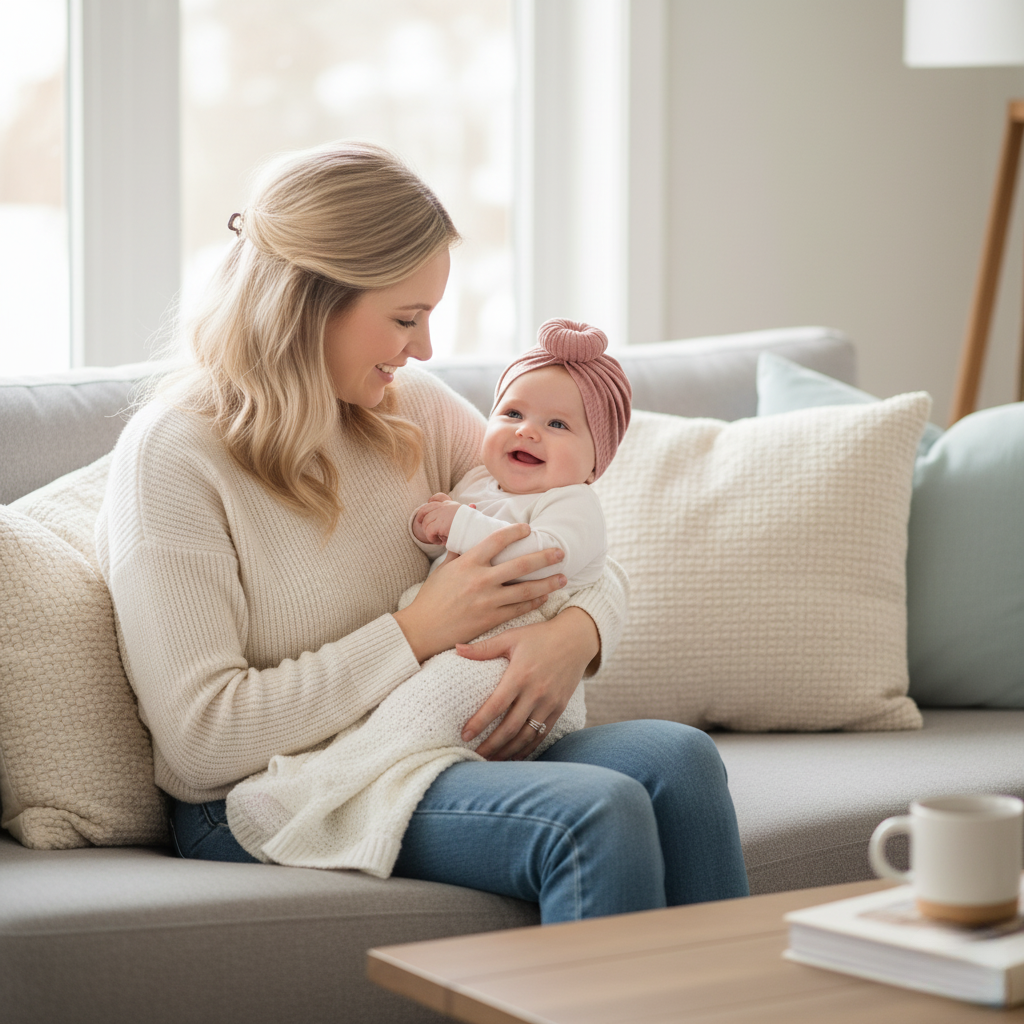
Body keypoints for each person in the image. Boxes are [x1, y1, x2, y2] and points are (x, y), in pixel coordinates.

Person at [96, 140, 749, 923]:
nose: (425, 348)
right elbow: (203, 738)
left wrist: (574, 635)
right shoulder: (174, 457)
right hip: (263, 790)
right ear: (308, 302)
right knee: (592, 813)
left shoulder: (410, 407)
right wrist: (417, 629)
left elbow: (567, 538)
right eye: (405, 318)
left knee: (680, 759)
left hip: (418, 743)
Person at [223, 319, 629, 876]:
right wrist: (429, 529)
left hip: (498, 669)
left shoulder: (568, 501)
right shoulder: (484, 484)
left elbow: (552, 557)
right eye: (512, 414)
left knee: (682, 756)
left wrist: (574, 633)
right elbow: (446, 551)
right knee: (405, 718)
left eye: (557, 424)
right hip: (447, 661)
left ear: (594, 464)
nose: (527, 432)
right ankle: (309, 792)